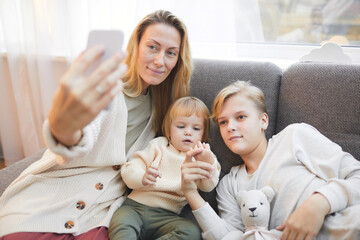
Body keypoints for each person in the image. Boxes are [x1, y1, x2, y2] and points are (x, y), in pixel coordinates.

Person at [0, 10, 193, 240]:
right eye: (152, 47)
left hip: (101, 211)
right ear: (136, 46)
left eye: (171, 53)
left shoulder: (164, 108)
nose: (160, 61)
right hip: (47, 199)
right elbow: (82, 132)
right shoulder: (107, 89)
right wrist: (64, 128)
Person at [181, 81, 360, 240]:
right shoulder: (229, 185)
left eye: (241, 117)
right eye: (223, 122)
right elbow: (229, 236)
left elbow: (356, 175)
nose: (231, 127)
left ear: (263, 121)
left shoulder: (294, 137)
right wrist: (190, 192)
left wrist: (319, 204)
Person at [108, 96, 220, 239]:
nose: (188, 132)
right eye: (181, 126)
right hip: (134, 207)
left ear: (203, 136)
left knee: (191, 231)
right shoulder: (158, 145)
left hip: (167, 217)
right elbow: (130, 168)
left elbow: (207, 187)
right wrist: (142, 177)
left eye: (196, 128)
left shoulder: (203, 156)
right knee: (121, 223)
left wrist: (208, 163)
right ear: (169, 131)